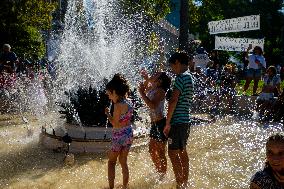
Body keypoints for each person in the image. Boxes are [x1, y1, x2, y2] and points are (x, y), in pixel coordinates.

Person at [163, 52, 194, 189]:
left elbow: (173, 100)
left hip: (177, 121)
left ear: (177, 62)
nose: (172, 69)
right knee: (182, 151)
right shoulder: (190, 77)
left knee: (172, 153)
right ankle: (185, 182)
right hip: (186, 120)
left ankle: (179, 184)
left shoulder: (180, 78)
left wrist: (167, 122)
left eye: (172, 66)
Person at [138, 71, 171, 179]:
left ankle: (163, 175)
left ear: (160, 81)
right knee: (152, 150)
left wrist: (142, 93)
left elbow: (152, 105)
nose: (154, 73)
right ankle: (158, 171)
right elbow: (147, 88)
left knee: (161, 152)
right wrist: (147, 78)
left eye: (156, 75)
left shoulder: (161, 91)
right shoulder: (153, 88)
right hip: (154, 123)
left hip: (161, 123)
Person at [104, 74, 134, 189]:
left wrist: (107, 114)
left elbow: (115, 123)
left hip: (119, 135)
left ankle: (111, 187)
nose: (109, 97)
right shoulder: (129, 102)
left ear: (115, 92)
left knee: (111, 162)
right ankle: (125, 186)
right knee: (123, 161)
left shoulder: (118, 105)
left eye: (110, 94)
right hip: (128, 133)